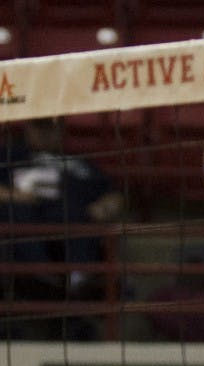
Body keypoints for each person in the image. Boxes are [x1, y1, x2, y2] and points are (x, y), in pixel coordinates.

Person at [0, 116, 124, 338]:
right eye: (39, 127)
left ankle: (79, 278)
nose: (45, 133)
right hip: (25, 222)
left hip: (69, 222)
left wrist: (107, 205)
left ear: (62, 130)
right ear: (28, 128)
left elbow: (112, 194)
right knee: (15, 213)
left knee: (77, 215)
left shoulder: (80, 164)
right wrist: (12, 195)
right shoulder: (10, 155)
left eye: (51, 128)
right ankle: (40, 275)